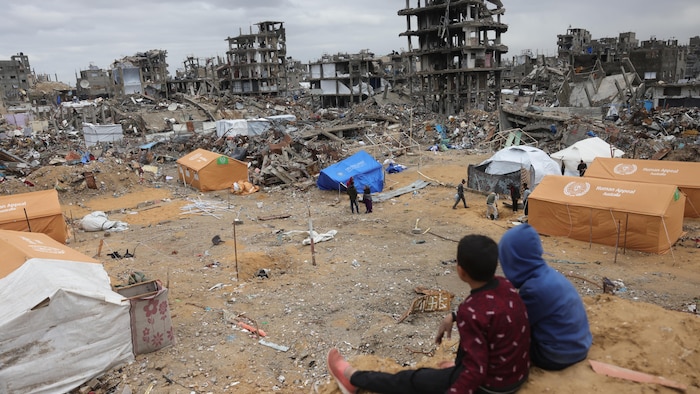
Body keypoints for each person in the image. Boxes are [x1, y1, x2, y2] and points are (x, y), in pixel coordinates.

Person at [327, 234, 531, 394]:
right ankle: (456, 369)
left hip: (491, 386)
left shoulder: (471, 311)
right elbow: (491, 313)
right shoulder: (505, 286)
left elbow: (475, 372)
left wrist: (457, 384)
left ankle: (351, 378)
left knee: (413, 379)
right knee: (471, 351)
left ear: (460, 271)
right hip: (517, 374)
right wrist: (454, 315)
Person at [498, 224, 592, 371]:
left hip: (556, 356)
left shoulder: (533, 289)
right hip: (580, 345)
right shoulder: (547, 275)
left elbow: (513, 324)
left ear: (514, 259)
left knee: (505, 340)